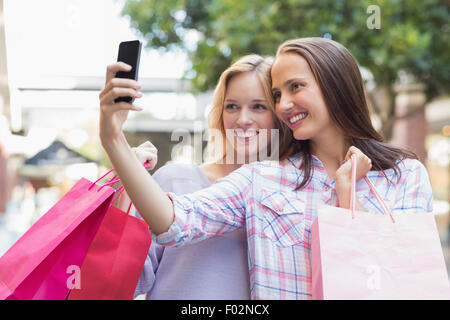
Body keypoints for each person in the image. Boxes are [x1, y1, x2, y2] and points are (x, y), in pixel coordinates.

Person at [99, 37, 433, 299]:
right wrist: (114, 139)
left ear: (335, 85)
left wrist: (348, 197)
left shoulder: (405, 176)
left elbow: (391, 276)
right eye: (277, 94)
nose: (284, 104)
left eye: (295, 87)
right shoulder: (264, 179)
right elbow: (175, 221)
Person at [113, 54, 293, 299]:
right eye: (232, 106)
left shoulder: (291, 198)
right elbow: (124, 281)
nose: (242, 120)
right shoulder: (174, 181)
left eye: (258, 106)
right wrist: (129, 183)